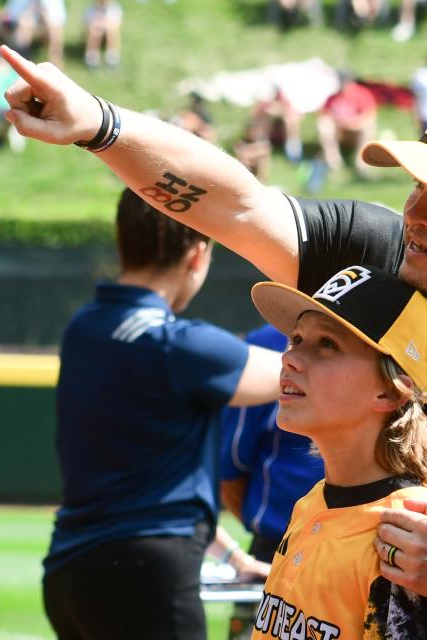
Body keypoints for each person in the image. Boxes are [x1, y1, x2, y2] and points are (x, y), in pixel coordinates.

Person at [0, 45, 427, 621]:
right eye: (418, 184)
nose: (416, 211)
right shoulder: (381, 253)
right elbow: (238, 206)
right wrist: (100, 125)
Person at [42, 188, 283, 639]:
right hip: (146, 575)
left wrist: (232, 558)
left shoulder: (84, 329)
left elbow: (141, 482)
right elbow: (296, 374)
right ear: (197, 256)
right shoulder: (181, 345)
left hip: (68, 572)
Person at [248, 264, 427, 639]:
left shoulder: (406, 537)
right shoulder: (312, 502)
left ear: (390, 391)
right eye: (297, 339)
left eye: (327, 345)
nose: (290, 358)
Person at [219, 323, 325, 639]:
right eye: (294, 342)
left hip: (362, 549)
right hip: (273, 548)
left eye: (328, 346)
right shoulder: (263, 343)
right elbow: (230, 469)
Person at [83, 0, 123, 68]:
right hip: (96, 32)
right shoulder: (91, 9)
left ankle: (112, 57)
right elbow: (87, 26)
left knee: (111, 31)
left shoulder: (114, 9)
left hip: (109, 32)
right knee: (95, 31)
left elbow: (117, 25)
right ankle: (92, 56)